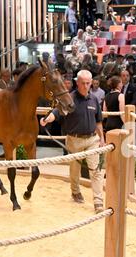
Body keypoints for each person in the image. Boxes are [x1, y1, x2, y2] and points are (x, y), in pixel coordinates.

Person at [40, 70, 105, 214]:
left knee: (96, 170)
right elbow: (57, 112)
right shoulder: (70, 98)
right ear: (77, 82)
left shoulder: (94, 99)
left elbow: (98, 121)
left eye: (88, 83)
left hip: (92, 140)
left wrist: (102, 139)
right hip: (74, 140)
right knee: (74, 171)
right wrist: (47, 119)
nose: (86, 86)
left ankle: (98, 201)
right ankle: (75, 191)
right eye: (83, 83)